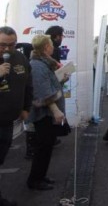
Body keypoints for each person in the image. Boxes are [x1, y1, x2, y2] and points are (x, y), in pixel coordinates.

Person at [26, 34, 69, 191]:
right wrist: (56, 110)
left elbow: (50, 85)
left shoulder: (43, 63)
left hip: (46, 114)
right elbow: (42, 93)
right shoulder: (37, 65)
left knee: (47, 146)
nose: (53, 47)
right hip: (43, 114)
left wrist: (62, 79)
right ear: (46, 47)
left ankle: (40, 176)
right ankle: (35, 180)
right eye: (51, 45)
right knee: (43, 147)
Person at [0, 27, 33, 206]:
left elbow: (28, 85)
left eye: (11, 45)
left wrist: (26, 108)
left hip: (8, 120)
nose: (6, 49)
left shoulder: (20, 58)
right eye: (2, 45)